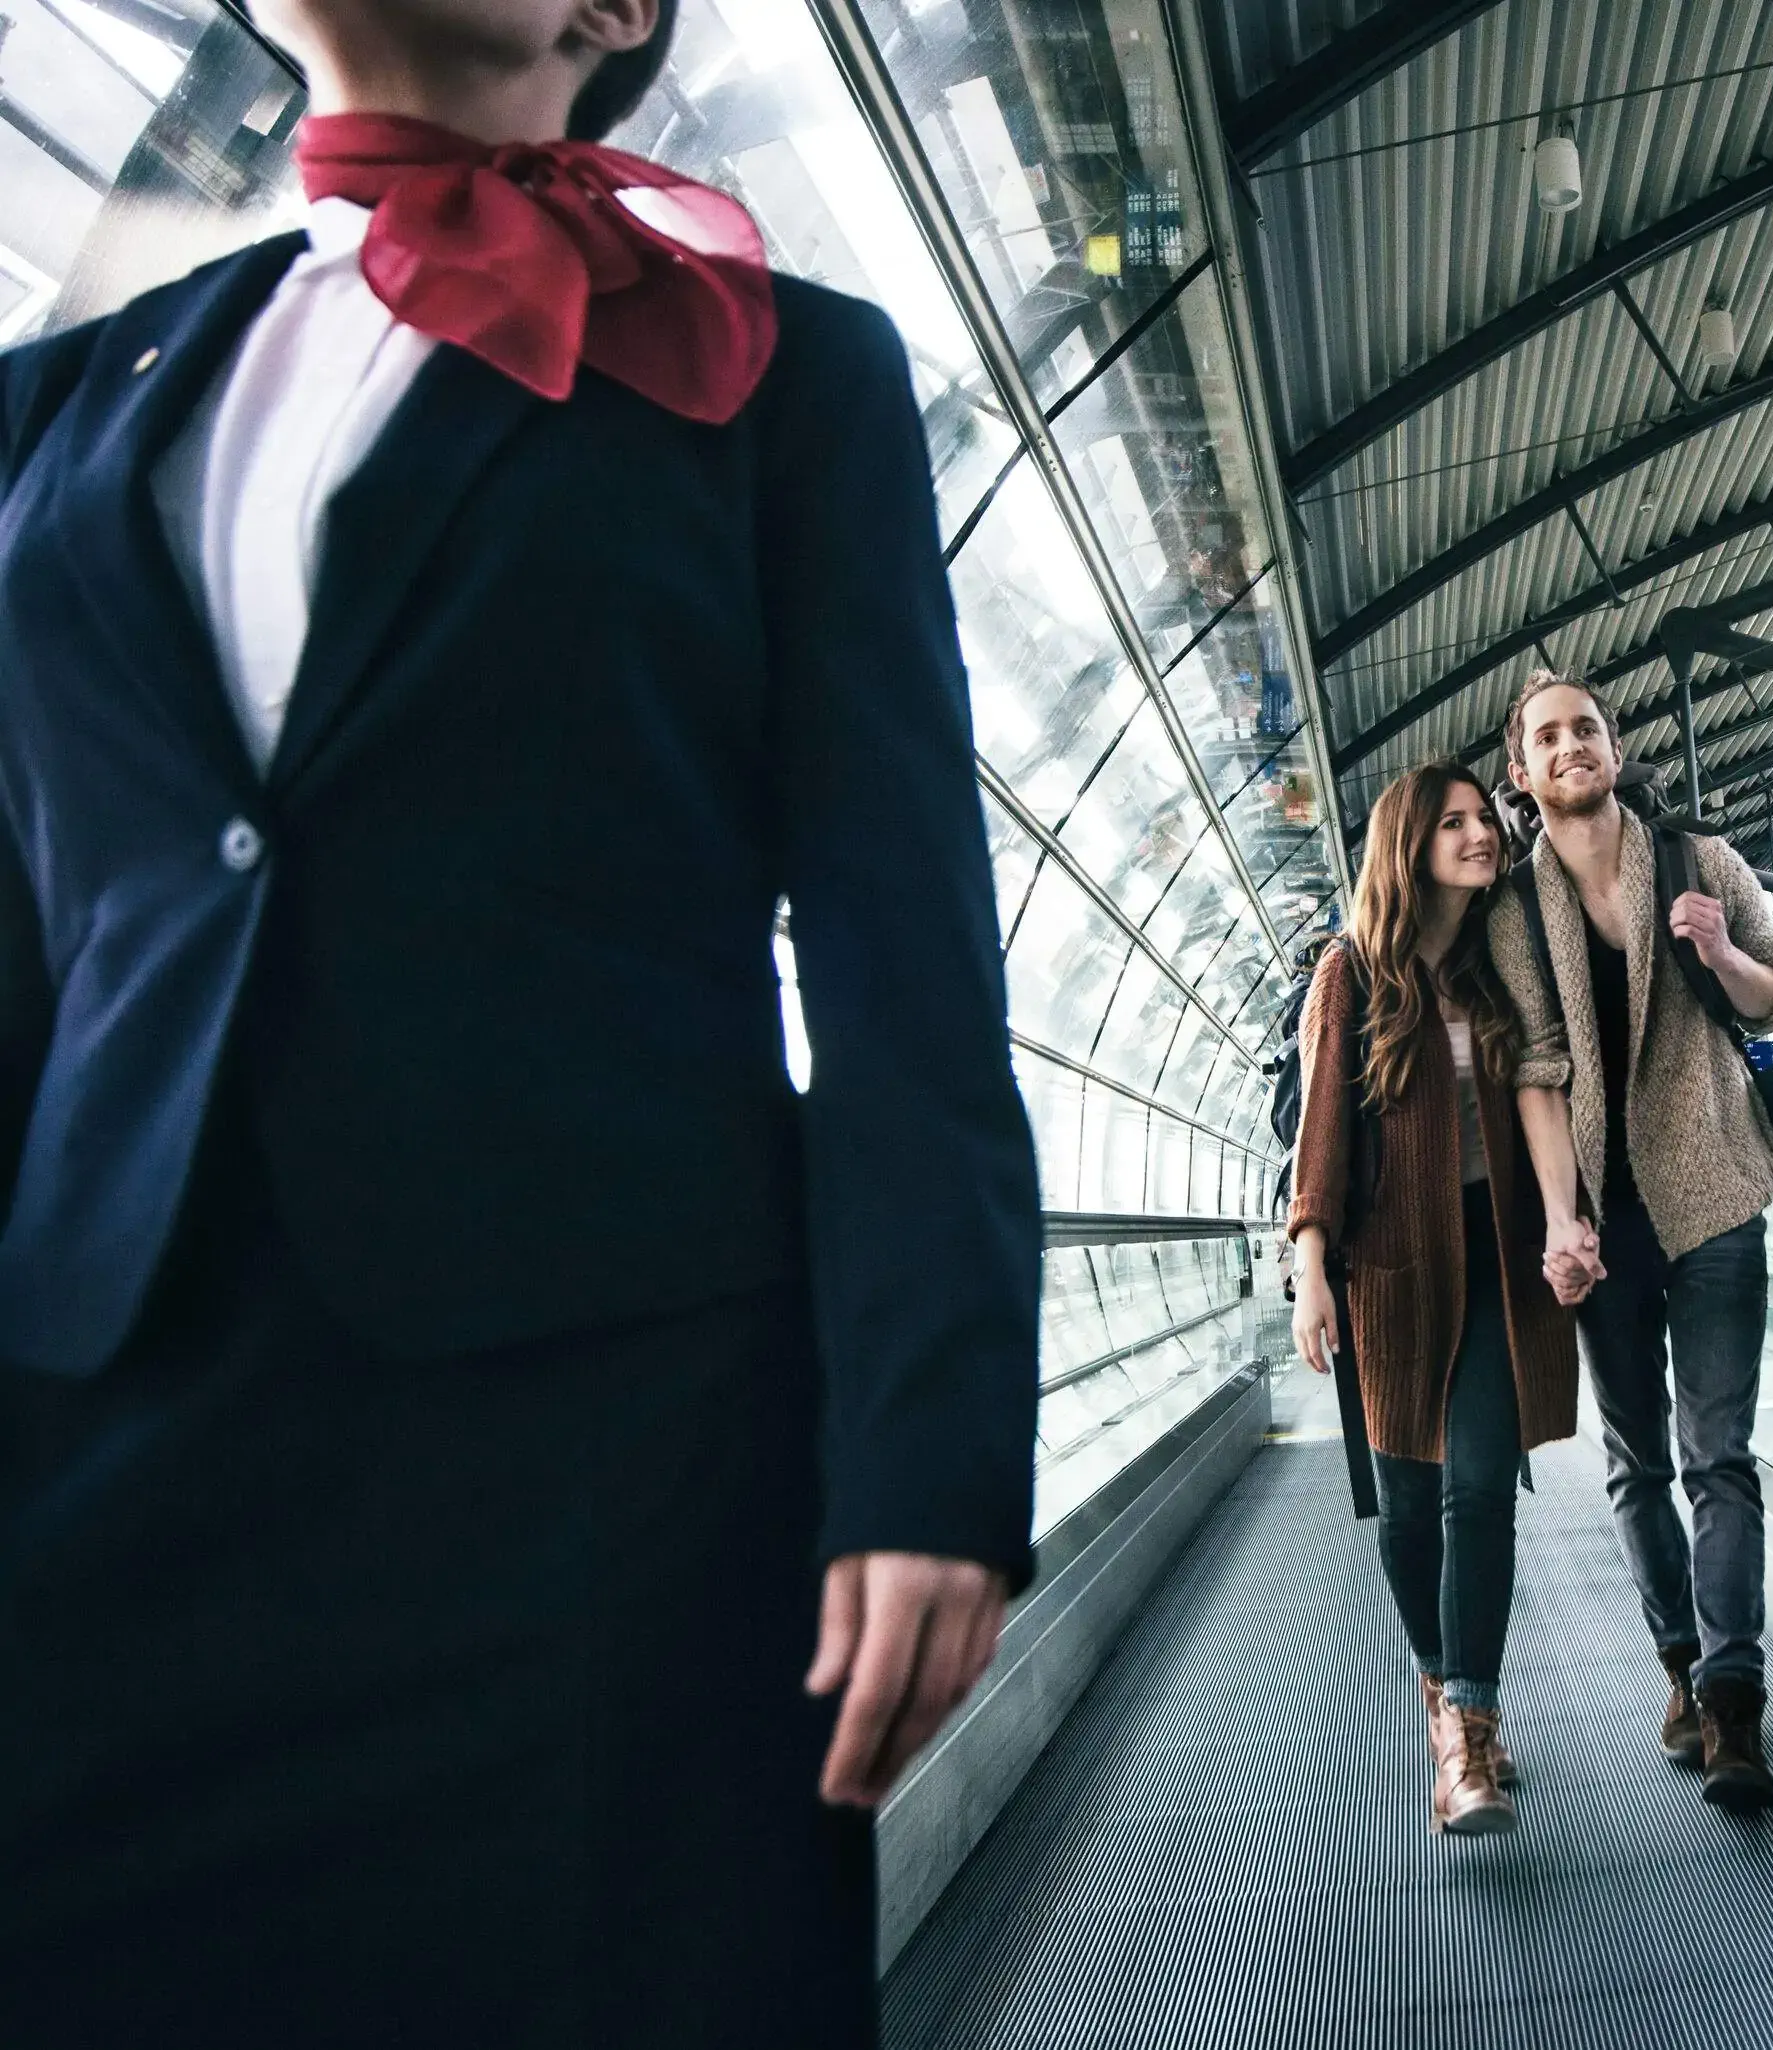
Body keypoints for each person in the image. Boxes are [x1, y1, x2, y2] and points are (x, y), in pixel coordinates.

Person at [0, 3, 1044, 2043]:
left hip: (609, 1466)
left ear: (608, 14)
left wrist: (928, 1453)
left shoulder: (782, 374)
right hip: (103, 1448)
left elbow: (906, 955)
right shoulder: (55, 402)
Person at [1489, 671, 1773, 1814]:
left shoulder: (1701, 859)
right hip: (1605, 1221)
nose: (1572, 744)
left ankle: (1734, 1700)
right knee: (1638, 1462)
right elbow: (1535, 1067)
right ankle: (1678, 1661)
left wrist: (1721, 953)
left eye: (1588, 727)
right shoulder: (1516, 910)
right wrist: (1562, 1218)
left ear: (1614, 750)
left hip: (1715, 1190)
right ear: (1521, 776)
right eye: (1548, 736)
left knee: (1718, 1455)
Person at [1287, 761, 1583, 1836]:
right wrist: (1310, 1267)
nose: (1479, 833)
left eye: (1482, 818)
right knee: (1409, 1511)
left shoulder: (1497, 968)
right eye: (1453, 822)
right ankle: (1437, 1678)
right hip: (1392, 1271)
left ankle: (1470, 1725)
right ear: (1408, 844)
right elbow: (1323, 1127)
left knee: (1479, 1491)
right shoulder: (1354, 974)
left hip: (1496, 1261)